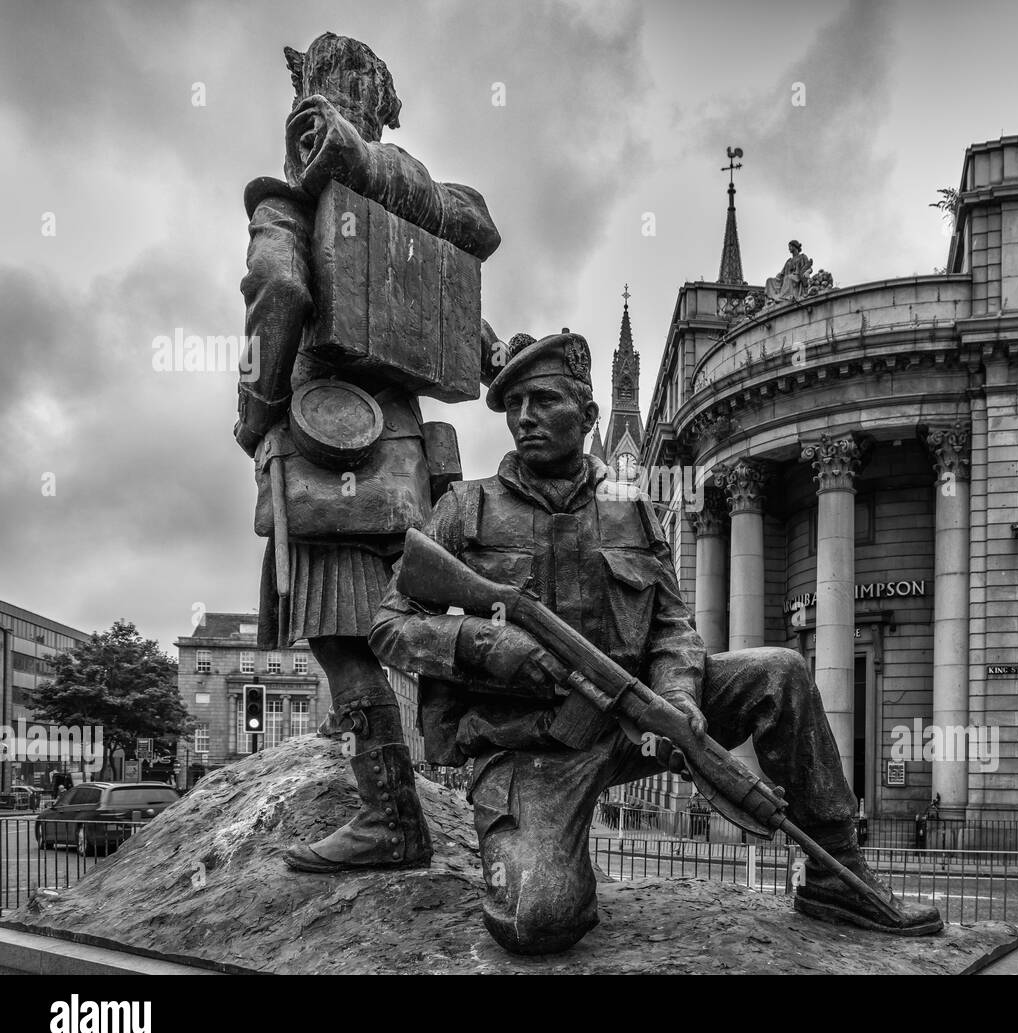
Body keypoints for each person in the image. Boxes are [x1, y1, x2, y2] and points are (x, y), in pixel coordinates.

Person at [369, 331, 942, 954]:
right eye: (514, 407)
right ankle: (553, 853)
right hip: (529, 752)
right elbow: (390, 626)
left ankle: (836, 873)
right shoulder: (465, 507)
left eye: (543, 400)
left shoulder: (629, 509)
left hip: (629, 717)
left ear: (589, 415)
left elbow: (674, 626)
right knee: (541, 922)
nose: (524, 418)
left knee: (780, 670)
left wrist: (681, 703)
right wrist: (480, 642)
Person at [233, 32, 501, 874]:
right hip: (410, 467)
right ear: (379, 108)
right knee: (412, 630)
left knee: (346, 648)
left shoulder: (292, 202)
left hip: (323, 455)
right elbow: (477, 341)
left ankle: (391, 820)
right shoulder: (416, 213)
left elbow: (278, 291)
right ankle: (482, 787)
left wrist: (258, 408)